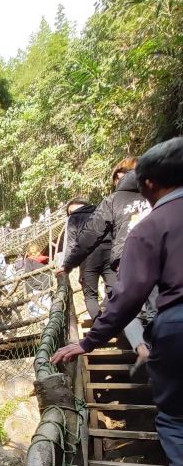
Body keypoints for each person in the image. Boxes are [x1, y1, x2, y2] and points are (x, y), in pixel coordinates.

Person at [51, 137, 183, 466]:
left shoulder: (149, 226)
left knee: (174, 414)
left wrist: (89, 341)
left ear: (150, 183)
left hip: (174, 327)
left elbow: (126, 299)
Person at [59, 160, 153, 374]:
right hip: (144, 257)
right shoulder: (159, 192)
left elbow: (84, 238)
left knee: (114, 300)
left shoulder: (113, 201)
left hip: (123, 259)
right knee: (136, 302)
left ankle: (132, 343)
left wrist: (67, 264)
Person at [62, 198, 117, 321]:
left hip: (87, 256)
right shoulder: (101, 211)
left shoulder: (73, 218)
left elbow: (71, 245)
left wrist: (65, 266)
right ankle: (117, 320)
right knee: (114, 288)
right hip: (109, 250)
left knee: (90, 295)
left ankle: (101, 325)